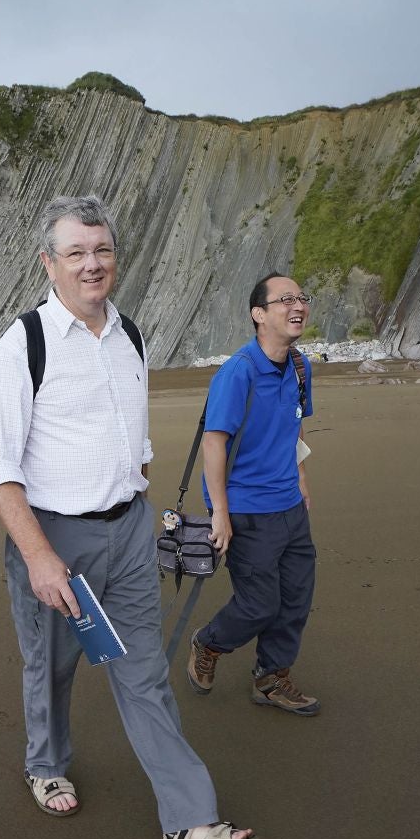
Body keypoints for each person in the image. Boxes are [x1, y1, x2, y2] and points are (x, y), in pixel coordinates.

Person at [0, 195, 256, 839]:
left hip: (127, 531)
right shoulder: (25, 342)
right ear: (49, 262)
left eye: (101, 250)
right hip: (53, 537)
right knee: (54, 664)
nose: (92, 263)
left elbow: (132, 433)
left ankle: (188, 819)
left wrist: (138, 491)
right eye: (76, 252)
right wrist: (39, 556)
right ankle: (46, 763)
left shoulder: (128, 332)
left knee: (144, 671)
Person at [187, 272, 319, 716]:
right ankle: (209, 642)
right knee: (260, 603)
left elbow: (293, 424)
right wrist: (219, 512)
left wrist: (301, 480)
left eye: (301, 298)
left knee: (296, 597)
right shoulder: (237, 373)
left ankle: (271, 679)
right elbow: (214, 442)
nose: (297, 305)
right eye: (285, 299)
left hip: (289, 507)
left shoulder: (301, 367)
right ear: (258, 314)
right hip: (246, 510)